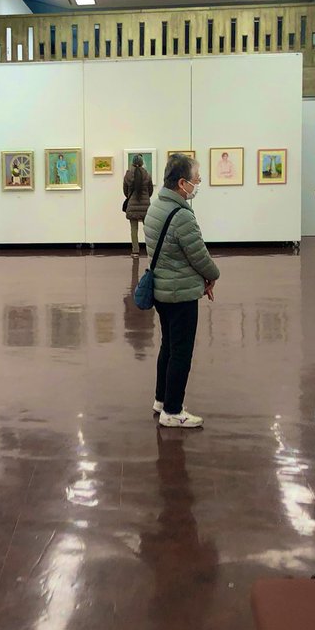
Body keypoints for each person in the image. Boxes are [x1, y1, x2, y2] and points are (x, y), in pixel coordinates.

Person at [143, 154, 219, 428]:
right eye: (196, 179)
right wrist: (213, 275)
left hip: (162, 291)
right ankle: (173, 411)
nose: (198, 183)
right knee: (181, 352)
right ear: (182, 183)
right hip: (181, 294)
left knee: (168, 346)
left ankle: (162, 399)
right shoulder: (182, 216)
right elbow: (199, 255)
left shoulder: (156, 207)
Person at [123, 154, 154, 258]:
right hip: (145, 206)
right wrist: (145, 197)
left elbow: (125, 191)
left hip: (132, 205)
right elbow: (150, 190)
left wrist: (131, 197)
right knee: (148, 229)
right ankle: (150, 250)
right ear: (142, 162)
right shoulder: (147, 174)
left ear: (132, 163)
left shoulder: (128, 175)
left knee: (134, 229)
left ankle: (135, 251)